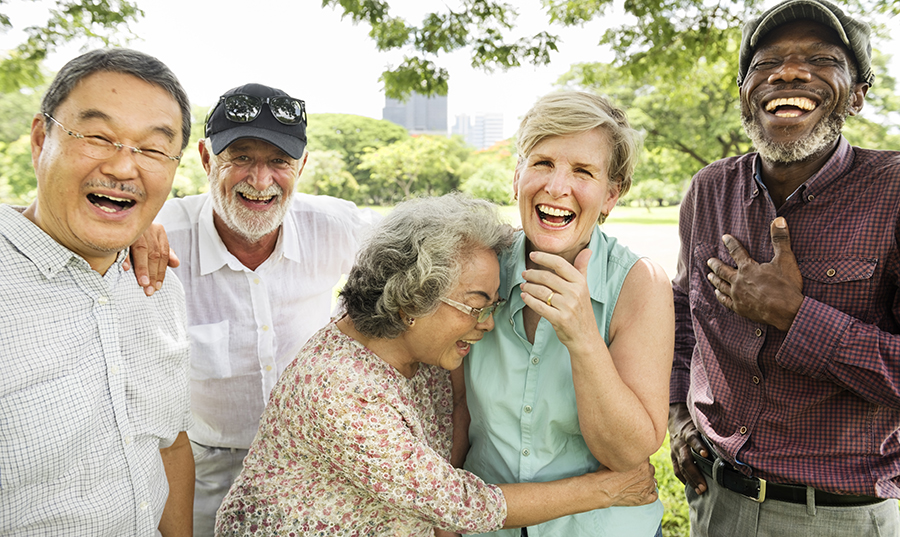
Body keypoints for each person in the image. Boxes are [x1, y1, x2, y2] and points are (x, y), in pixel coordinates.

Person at [214, 193, 660, 536]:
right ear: (412, 299)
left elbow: (452, 426)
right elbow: (459, 502)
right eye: (476, 306)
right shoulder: (339, 387)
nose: (486, 326)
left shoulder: (420, 355)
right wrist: (605, 489)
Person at [667, 0, 900, 535]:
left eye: (820, 59)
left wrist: (796, 318)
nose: (789, 72)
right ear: (746, 96)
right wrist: (679, 416)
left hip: (840, 516)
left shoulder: (892, 193)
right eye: (766, 62)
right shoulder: (710, 190)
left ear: (858, 95)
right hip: (716, 499)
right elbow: (682, 316)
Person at [129, 82, 379, 535]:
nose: (260, 181)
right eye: (241, 157)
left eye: (278, 161)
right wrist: (131, 227)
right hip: (204, 468)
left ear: (301, 166)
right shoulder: (158, 234)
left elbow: (426, 247)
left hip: (313, 461)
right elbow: (56, 226)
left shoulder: (334, 226)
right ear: (207, 159)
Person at [462, 91, 674, 536]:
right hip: (487, 524)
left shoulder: (641, 284)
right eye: (542, 163)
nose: (557, 187)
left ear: (611, 195)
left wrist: (582, 337)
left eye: (583, 171)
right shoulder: (479, 267)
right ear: (516, 176)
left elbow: (627, 454)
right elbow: (453, 410)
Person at [0, 48, 193, 535]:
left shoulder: (159, 285)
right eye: (98, 137)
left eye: (152, 149)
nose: (125, 168)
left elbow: (169, 443)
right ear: (41, 139)